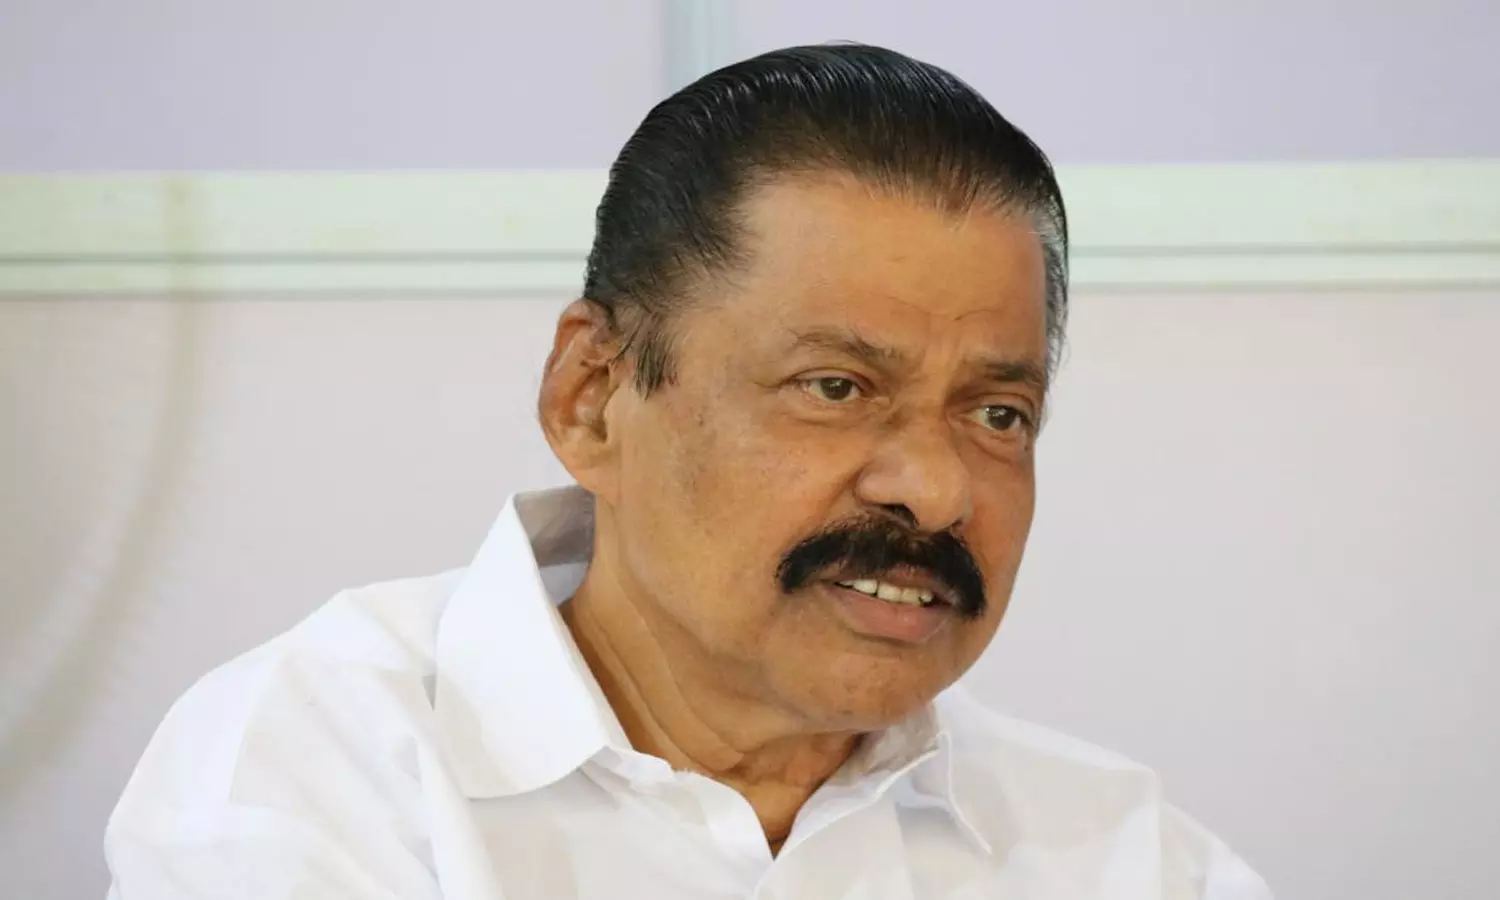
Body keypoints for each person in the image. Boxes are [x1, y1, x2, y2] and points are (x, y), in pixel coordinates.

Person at [105, 43, 1271, 899]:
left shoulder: (1118, 852)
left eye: (998, 413)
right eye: (835, 387)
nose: (935, 487)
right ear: (592, 398)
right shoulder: (317, 767)